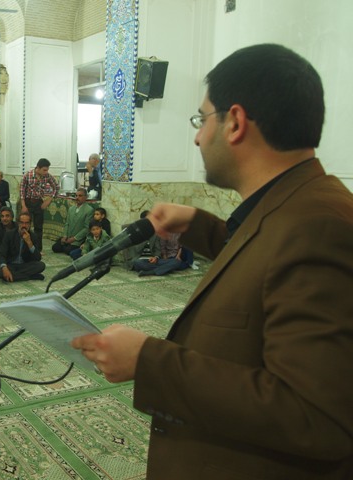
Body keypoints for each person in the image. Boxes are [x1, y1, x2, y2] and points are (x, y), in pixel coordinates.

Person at [72, 44, 353, 479]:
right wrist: (201, 227)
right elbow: (267, 270)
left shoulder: (319, 227)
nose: (198, 137)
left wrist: (149, 361)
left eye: (201, 120)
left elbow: (314, 417)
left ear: (235, 122)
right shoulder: (294, 206)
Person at [0, 212, 45, 282]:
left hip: (24, 265)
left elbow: (38, 258)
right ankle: (30, 276)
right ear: (18, 223)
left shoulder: (33, 236)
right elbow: (1, 254)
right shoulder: (9, 234)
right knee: (0, 271)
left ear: (30, 224)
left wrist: (29, 243)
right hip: (11, 264)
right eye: (22, 223)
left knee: (41, 265)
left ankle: (13, 277)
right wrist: (4, 268)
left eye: (27, 223)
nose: (24, 225)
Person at [20, 158, 59, 242]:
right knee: (25, 225)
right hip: (28, 202)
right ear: (38, 167)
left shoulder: (47, 176)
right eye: (44, 170)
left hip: (39, 203)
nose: (46, 172)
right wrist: (23, 206)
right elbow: (22, 192)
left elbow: (56, 187)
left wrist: (49, 199)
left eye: (47, 170)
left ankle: (38, 247)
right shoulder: (27, 175)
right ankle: (25, 245)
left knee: (38, 227)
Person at [51, 188, 92, 256]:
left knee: (67, 251)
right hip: (67, 238)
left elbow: (86, 228)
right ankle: (66, 245)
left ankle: (70, 247)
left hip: (77, 240)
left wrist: (74, 238)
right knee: (55, 248)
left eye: (80, 196)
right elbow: (67, 223)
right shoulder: (71, 209)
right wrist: (65, 236)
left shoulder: (89, 210)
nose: (77, 198)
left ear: (85, 197)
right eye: (76, 195)